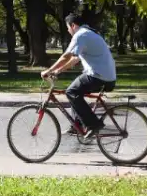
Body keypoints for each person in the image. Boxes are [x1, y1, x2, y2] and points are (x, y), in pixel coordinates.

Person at [41, 12, 116, 140]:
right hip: (104, 75)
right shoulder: (88, 33)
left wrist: (48, 70)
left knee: (71, 91)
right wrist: (57, 71)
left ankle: (94, 124)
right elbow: (75, 59)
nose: (68, 30)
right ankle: (77, 125)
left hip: (98, 76)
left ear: (73, 25)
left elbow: (66, 56)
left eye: (68, 27)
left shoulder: (80, 35)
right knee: (74, 92)